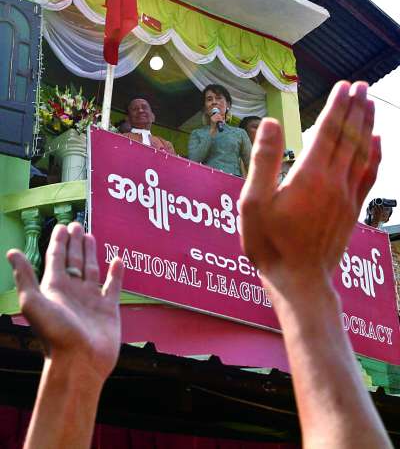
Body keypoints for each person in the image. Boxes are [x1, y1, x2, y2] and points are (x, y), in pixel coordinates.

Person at [7, 80, 392, 448]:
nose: (141, 111)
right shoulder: (192, 135)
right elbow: (189, 165)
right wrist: (307, 289)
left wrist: (72, 372)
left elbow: (244, 166)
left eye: (218, 100)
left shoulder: (227, 136)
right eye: (135, 107)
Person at [188, 84, 252, 176]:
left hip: (232, 181)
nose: (214, 102)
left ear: (228, 105)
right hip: (205, 180)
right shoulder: (197, 133)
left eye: (218, 98)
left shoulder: (239, 133)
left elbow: (251, 165)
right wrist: (212, 130)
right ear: (205, 108)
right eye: (209, 99)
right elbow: (193, 161)